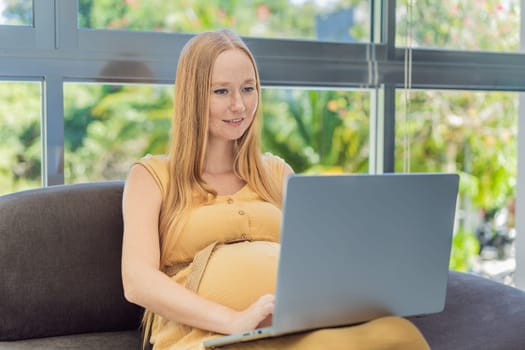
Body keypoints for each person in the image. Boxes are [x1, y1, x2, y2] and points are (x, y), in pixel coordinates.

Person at [121, 29, 430, 350]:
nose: (239, 105)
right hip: (209, 337)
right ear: (193, 96)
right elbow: (137, 281)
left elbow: (318, 263)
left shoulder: (276, 173)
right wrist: (234, 320)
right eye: (222, 91)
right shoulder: (152, 176)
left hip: (294, 328)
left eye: (248, 89)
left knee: (399, 333)